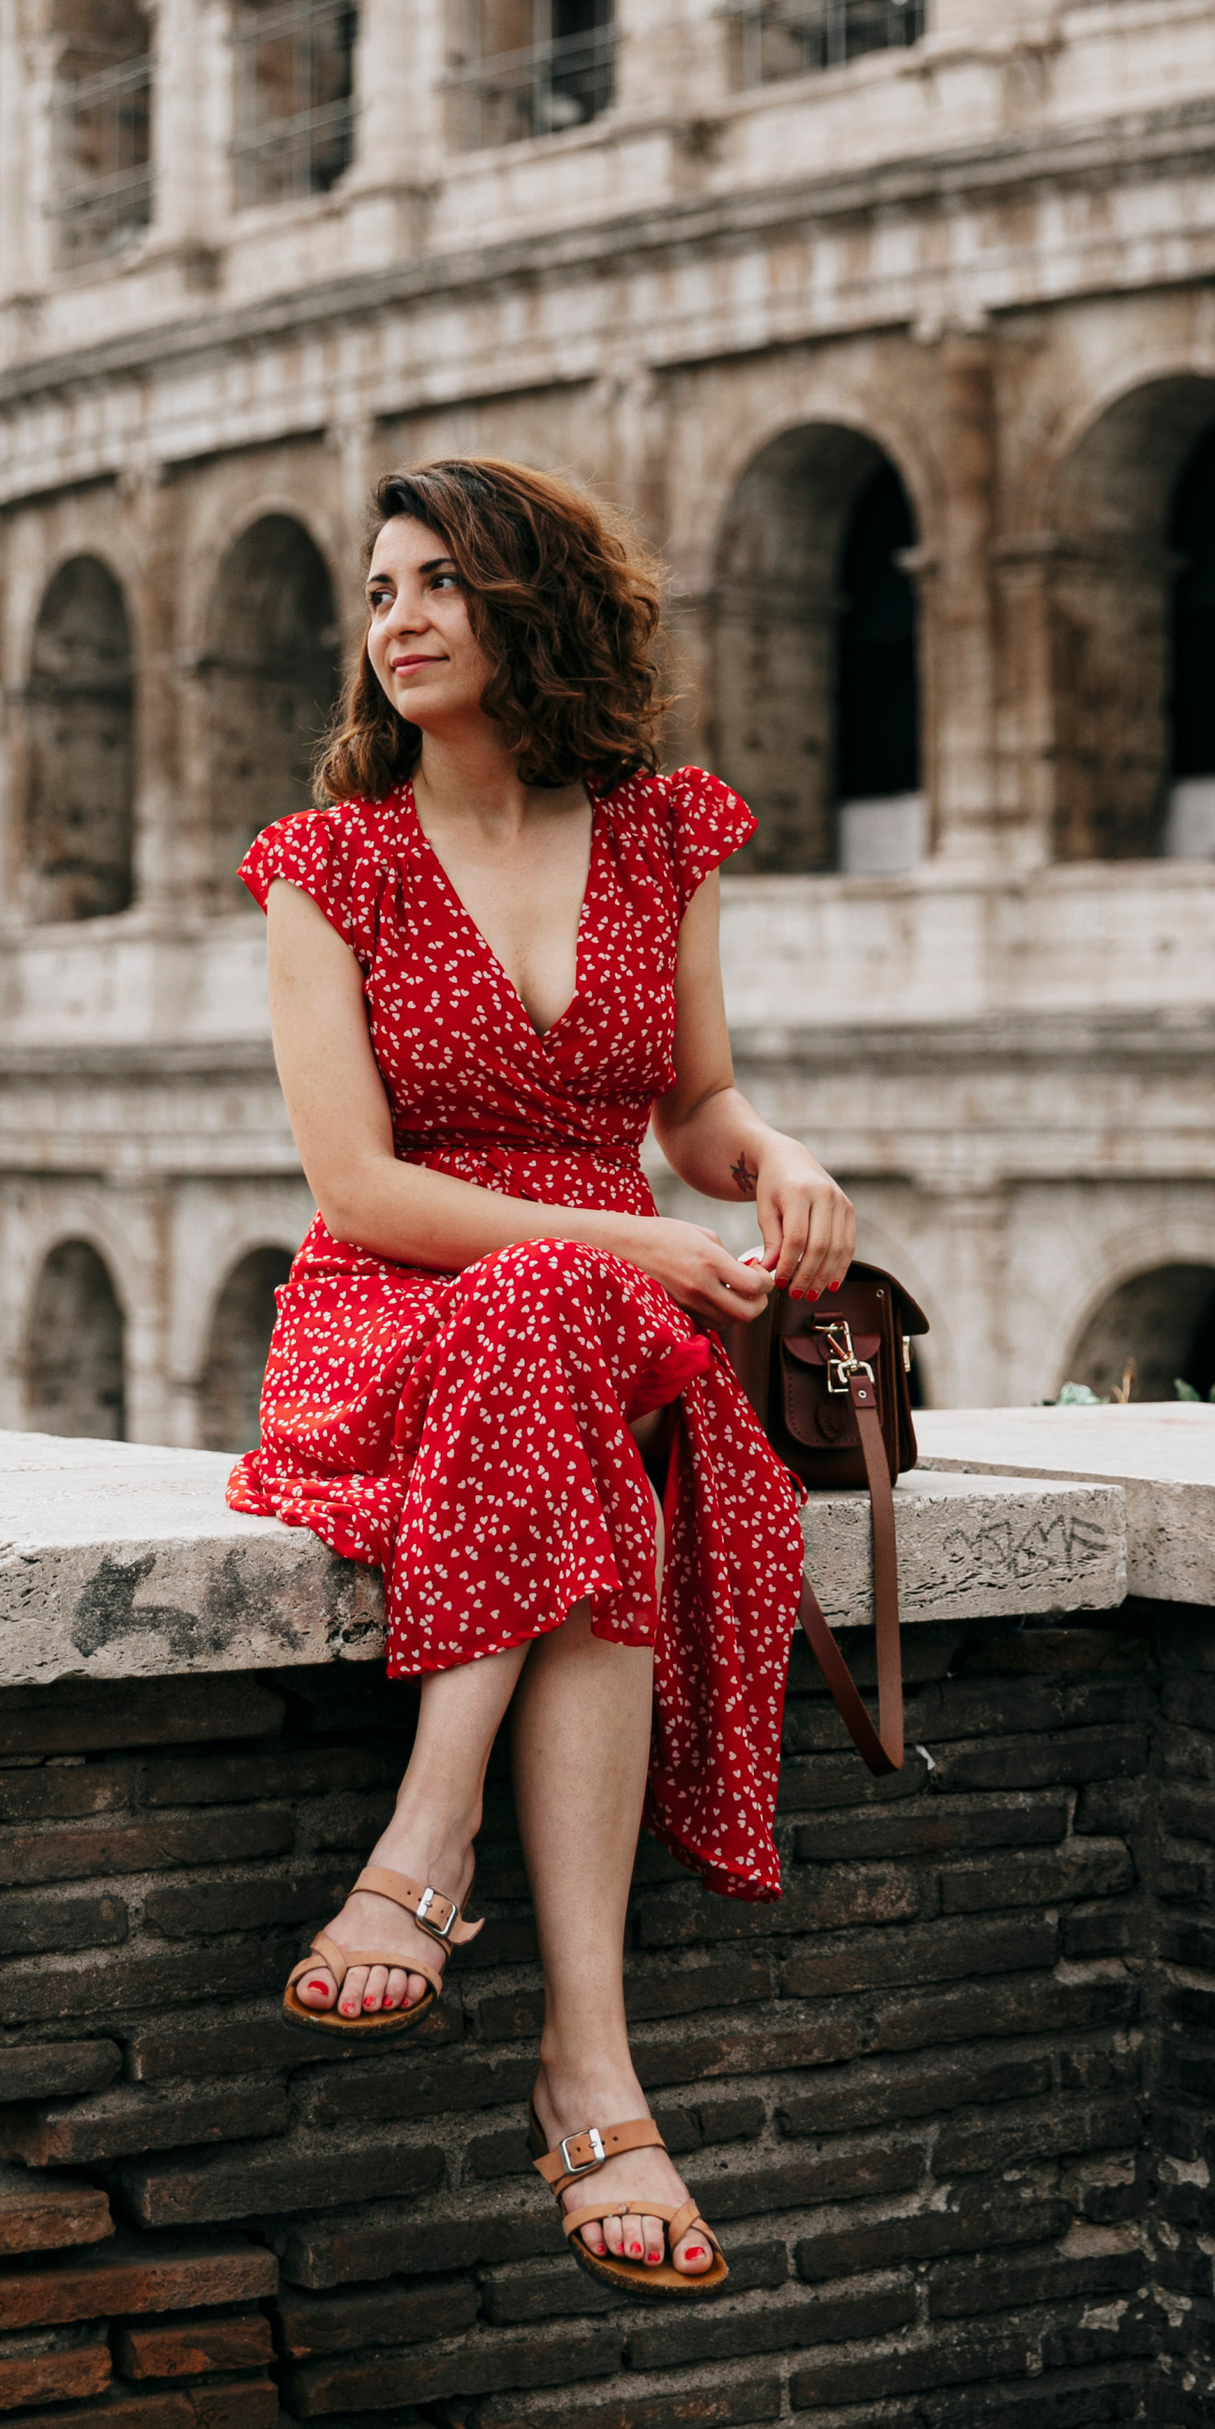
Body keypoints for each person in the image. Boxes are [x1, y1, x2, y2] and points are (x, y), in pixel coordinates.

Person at [228, 457, 857, 2298]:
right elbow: (358, 1187)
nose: (400, 621)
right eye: (378, 592)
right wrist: (624, 1245)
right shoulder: (326, 867)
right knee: (550, 1335)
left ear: (535, 605)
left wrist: (775, 1162)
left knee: (567, 1360)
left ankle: (447, 1896)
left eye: (440, 582)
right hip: (394, 1317)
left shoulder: (664, 836)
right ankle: (579, 2055)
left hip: (604, 1330)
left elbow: (695, 1107)